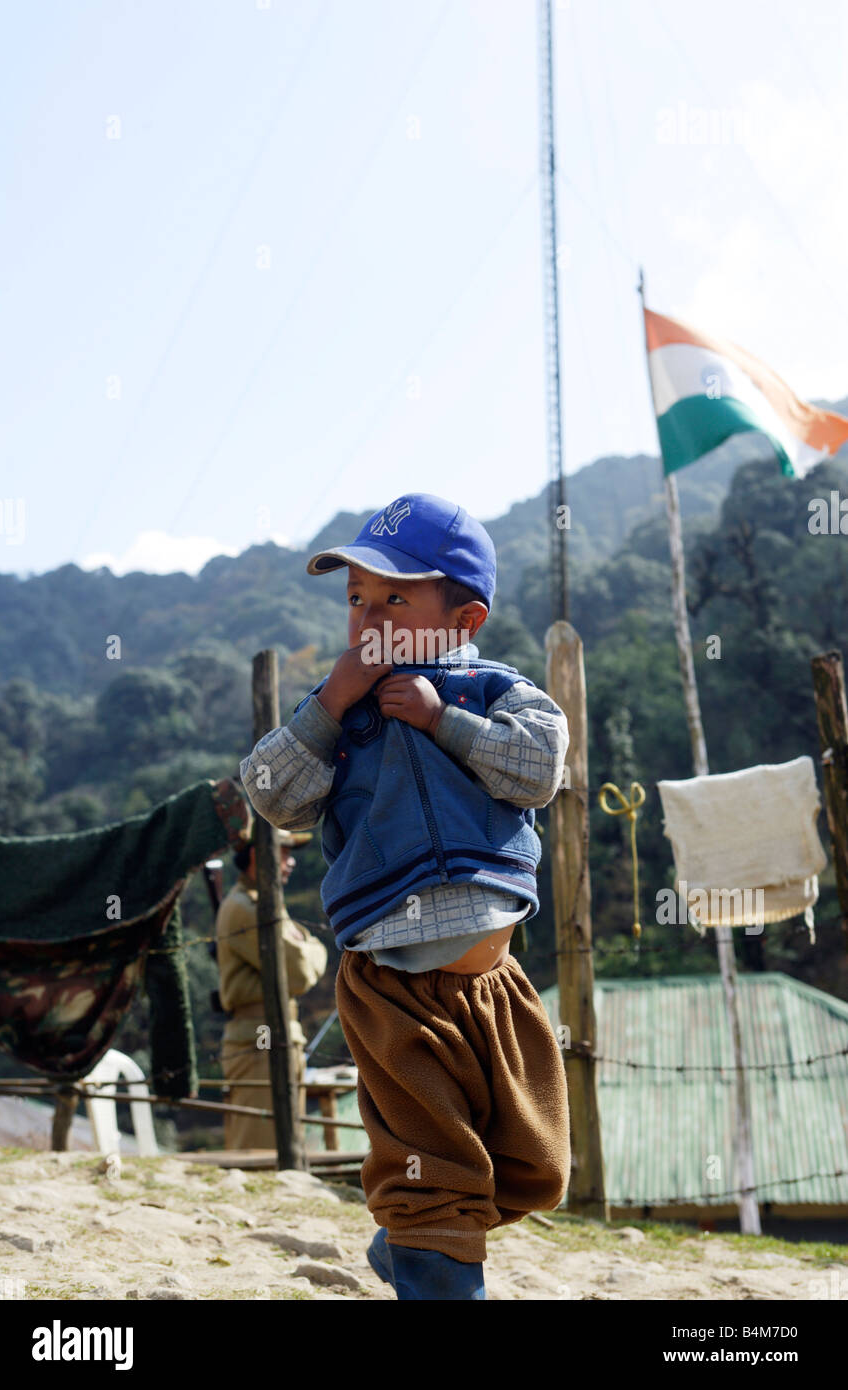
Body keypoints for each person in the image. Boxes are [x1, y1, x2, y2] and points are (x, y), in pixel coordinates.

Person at [239, 492, 571, 1299]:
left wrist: (441, 720)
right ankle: (432, 1260)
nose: (367, 616)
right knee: (433, 1171)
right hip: (394, 986)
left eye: (394, 596)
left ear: (463, 620)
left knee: (535, 1162)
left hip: (493, 983)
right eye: (356, 598)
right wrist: (328, 705)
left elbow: (539, 773)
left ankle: (413, 1245)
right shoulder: (339, 717)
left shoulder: (496, 691)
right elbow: (271, 795)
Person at [215, 826, 327, 1151]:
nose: (290, 862)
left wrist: (305, 944)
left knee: (285, 1143)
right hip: (259, 1042)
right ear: (257, 854)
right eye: (284, 852)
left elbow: (299, 964)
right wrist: (310, 943)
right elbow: (300, 971)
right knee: (261, 1151)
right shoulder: (244, 907)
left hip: (272, 1036)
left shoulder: (265, 903)